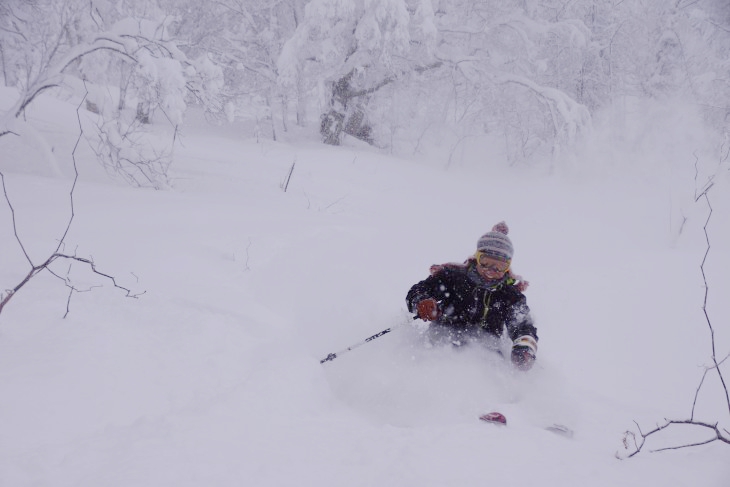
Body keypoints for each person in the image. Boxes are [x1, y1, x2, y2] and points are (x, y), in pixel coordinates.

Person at [405, 222, 538, 370]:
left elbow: (523, 325)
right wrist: (421, 302)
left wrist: (524, 348)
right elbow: (418, 291)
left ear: (507, 267)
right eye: (485, 262)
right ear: (476, 258)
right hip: (441, 347)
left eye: (499, 267)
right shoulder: (453, 278)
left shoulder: (510, 295)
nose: (491, 271)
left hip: (485, 358)